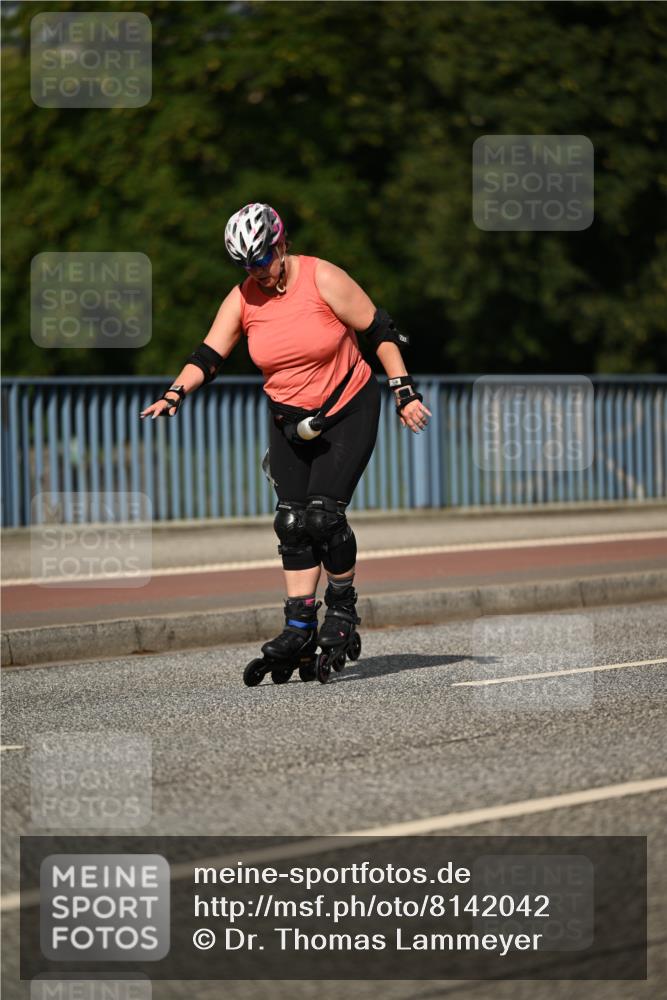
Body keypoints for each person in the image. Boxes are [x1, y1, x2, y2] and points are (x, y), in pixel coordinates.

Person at [141, 202, 431, 684]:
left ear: (281, 245)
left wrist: (404, 391)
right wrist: (175, 393)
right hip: (288, 420)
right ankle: (299, 624)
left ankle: (342, 608)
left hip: (348, 408)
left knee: (323, 516)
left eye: (261, 258)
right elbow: (209, 354)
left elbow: (380, 330)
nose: (255, 270)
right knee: (292, 523)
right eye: (245, 263)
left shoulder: (321, 278)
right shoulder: (243, 298)